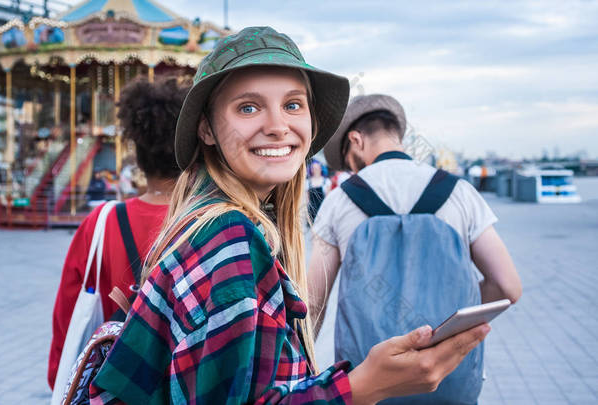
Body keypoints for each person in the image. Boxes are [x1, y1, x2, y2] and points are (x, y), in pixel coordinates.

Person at [89, 27, 490, 405]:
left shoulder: (204, 223)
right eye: (248, 107)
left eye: (293, 105)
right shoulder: (229, 238)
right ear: (206, 130)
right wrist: (365, 385)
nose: (279, 127)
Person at [309, 94, 522, 402]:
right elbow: (508, 287)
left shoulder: (339, 201)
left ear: (356, 140)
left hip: (368, 383)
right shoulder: (460, 192)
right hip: (449, 377)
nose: (351, 172)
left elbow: (313, 303)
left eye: (347, 160)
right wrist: (449, 323)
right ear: (398, 135)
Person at [48, 77, 188, 389]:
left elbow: (67, 317)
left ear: (137, 154)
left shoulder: (101, 222)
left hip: (113, 386)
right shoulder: (211, 223)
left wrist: (62, 377)